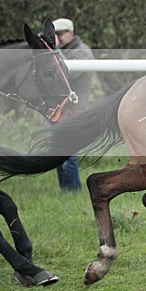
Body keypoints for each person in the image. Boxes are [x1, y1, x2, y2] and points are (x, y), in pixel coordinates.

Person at [52, 17, 95, 191]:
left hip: (75, 110)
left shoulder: (82, 52)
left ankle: (72, 190)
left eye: (60, 34)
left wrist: (53, 48)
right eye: (54, 35)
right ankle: (67, 190)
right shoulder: (64, 51)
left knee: (68, 153)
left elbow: (67, 74)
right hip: (62, 110)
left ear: (71, 33)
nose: (58, 38)